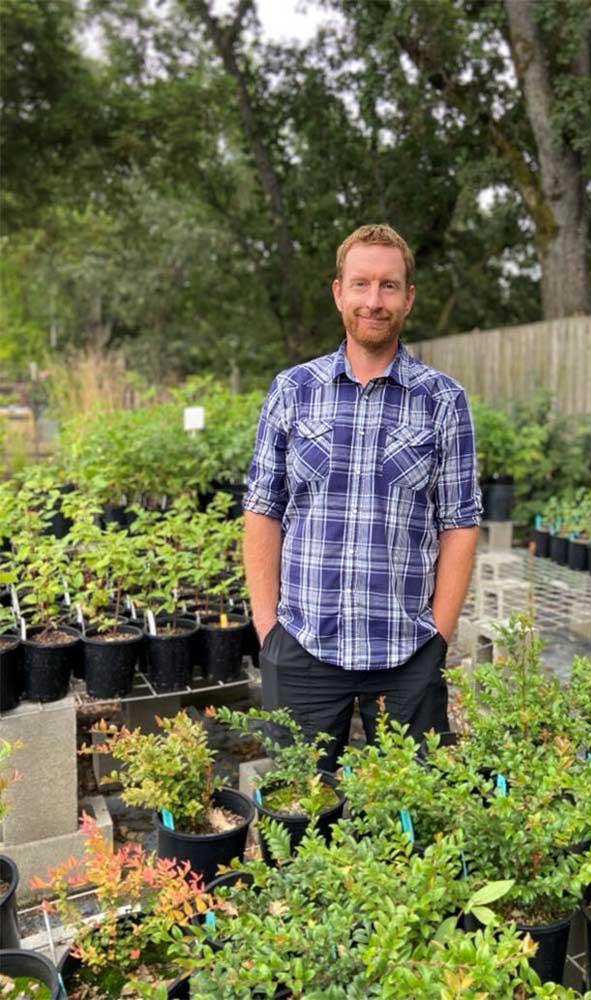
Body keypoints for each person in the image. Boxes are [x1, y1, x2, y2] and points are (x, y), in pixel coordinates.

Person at [242, 223, 481, 771]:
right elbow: (262, 510)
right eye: (361, 284)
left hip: (406, 654)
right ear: (338, 293)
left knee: (410, 810)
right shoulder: (292, 391)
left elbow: (460, 523)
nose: (374, 300)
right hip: (302, 646)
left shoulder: (443, 401)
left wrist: (438, 640)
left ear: (408, 298)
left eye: (388, 286)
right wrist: (269, 631)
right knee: (300, 808)